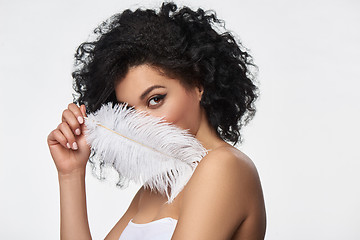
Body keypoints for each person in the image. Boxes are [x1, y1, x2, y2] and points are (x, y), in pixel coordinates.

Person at [47, 2, 266, 239]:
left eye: (155, 100)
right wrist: (71, 174)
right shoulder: (155, 188)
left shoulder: (224, 167)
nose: (141, 124)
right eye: (128, 111)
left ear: (198, 83)